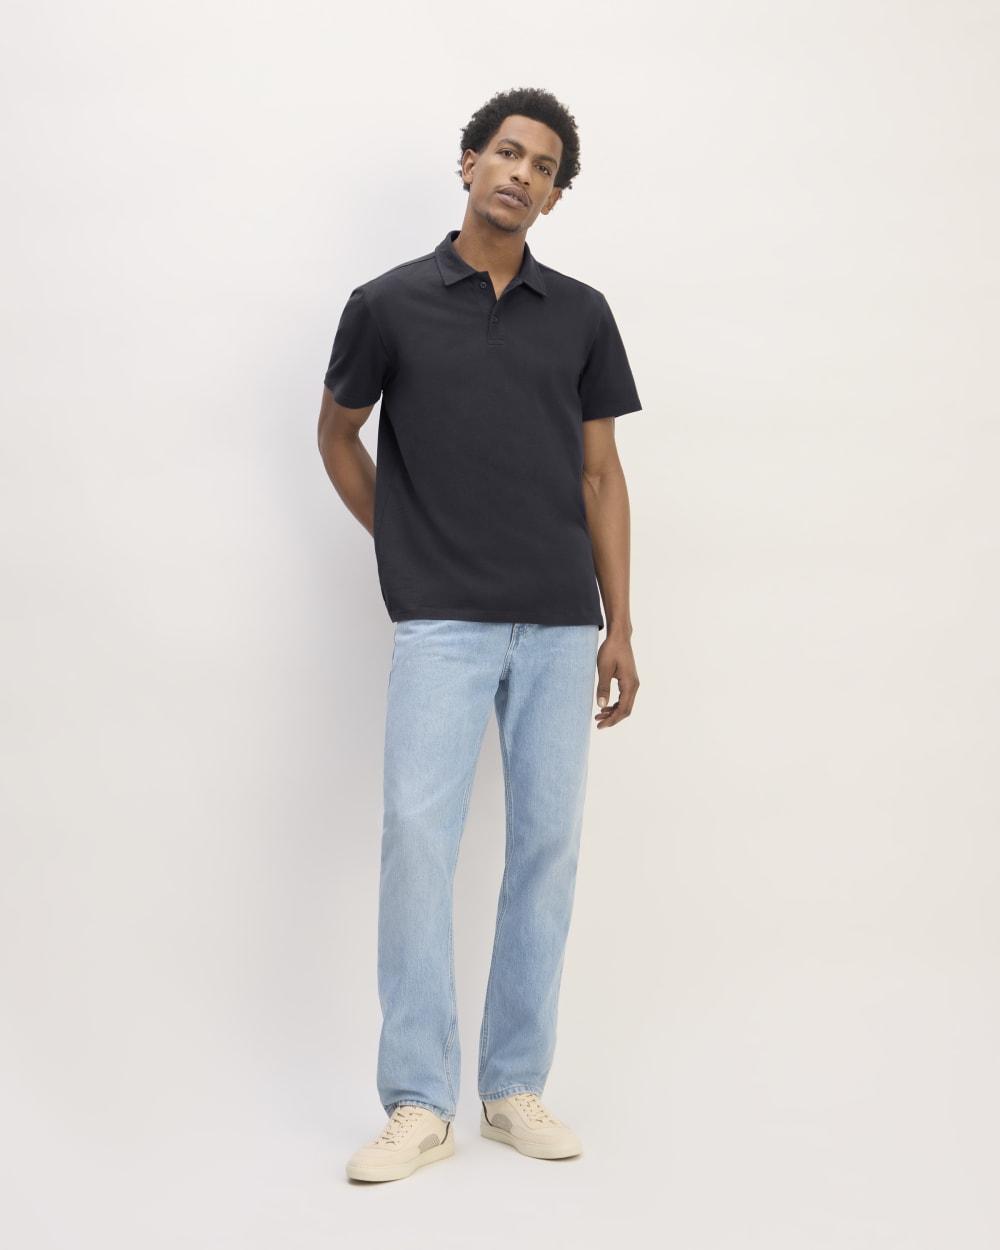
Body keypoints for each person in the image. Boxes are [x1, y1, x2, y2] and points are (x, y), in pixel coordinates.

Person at [317, 87, 641, 1183]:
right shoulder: (387, 304)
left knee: (546, 849)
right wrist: (404, 538)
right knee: (417, 840)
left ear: (555, 195)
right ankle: (418, 1100)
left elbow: (601, 473)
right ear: (468, 163)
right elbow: (337, 433)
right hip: (442, 622)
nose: (521, 173)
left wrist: (621, 622)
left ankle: (511, 1087)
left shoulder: (582, 314)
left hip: (559, 622)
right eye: (507, 152)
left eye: (544, 166)